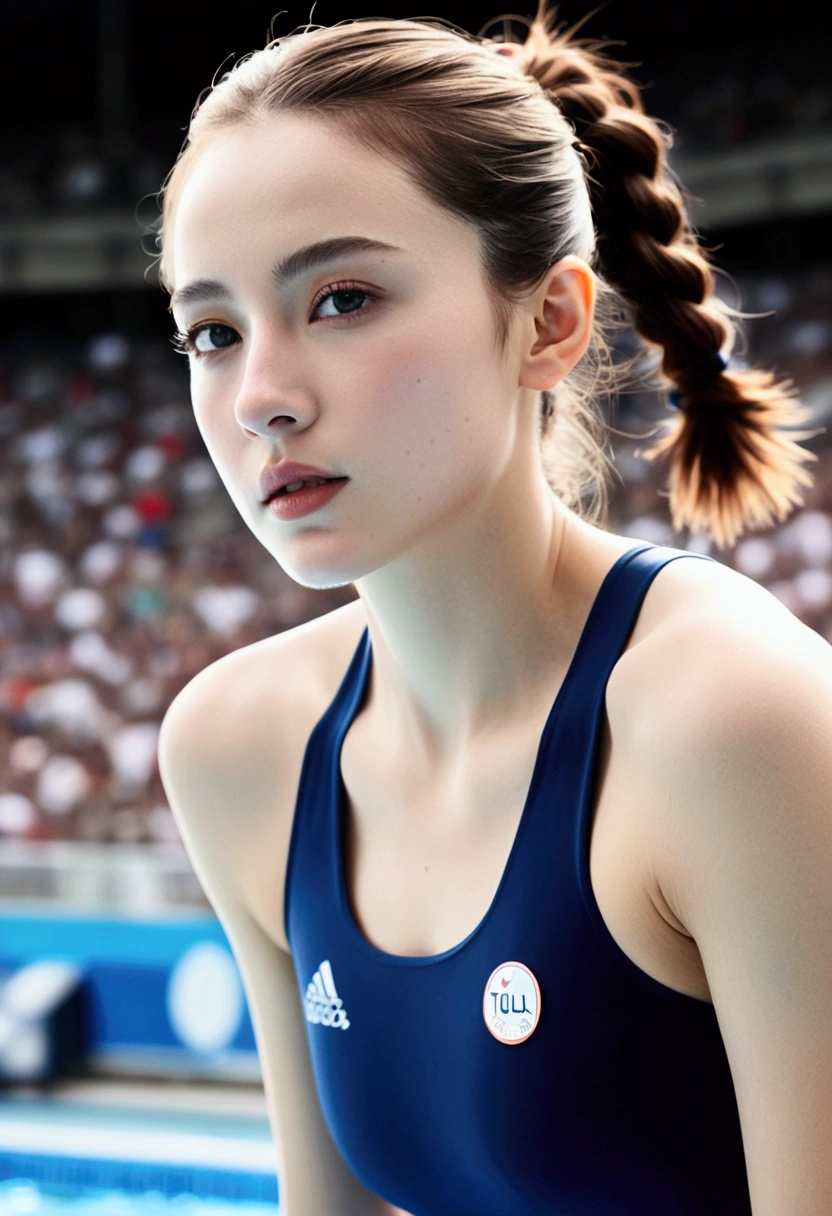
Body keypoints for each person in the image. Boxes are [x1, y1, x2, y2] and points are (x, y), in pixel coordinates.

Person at [155, 5, 832, 1213]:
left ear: (548, 320)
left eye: (342, 298)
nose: (260, 396)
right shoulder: (237, 747)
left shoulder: (736, 725)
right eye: (211, 331)